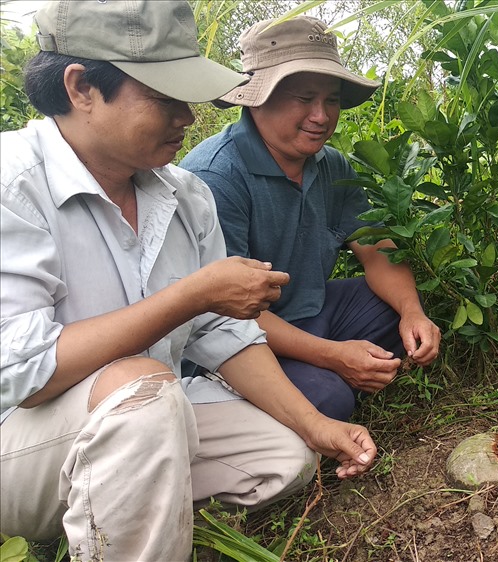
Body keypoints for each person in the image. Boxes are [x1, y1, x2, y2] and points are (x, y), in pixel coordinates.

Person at [0, 2, 376, 559]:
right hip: (20, 438)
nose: (187, 117)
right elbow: (23, 375)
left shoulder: (182, 195)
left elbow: (222, 333)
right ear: (81, 88)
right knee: (144, 388)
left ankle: (116, 515)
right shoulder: (15, 186)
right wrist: (189, 296)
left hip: (146, 414)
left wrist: (316, 425)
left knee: (282, 458)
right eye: (163, 97)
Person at [181, 16, 441, 422]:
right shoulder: (215, 176)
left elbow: (376, 251)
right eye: (304, 98)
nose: (321, 116)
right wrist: (334, 356)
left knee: (396, 310)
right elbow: (224, 315)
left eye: (331, 99)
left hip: (309, 311)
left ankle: (324, 369)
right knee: (331, 400)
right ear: (257, 97)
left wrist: (413, 313)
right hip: (237, 341)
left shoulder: (331, 164)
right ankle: (299, 385)